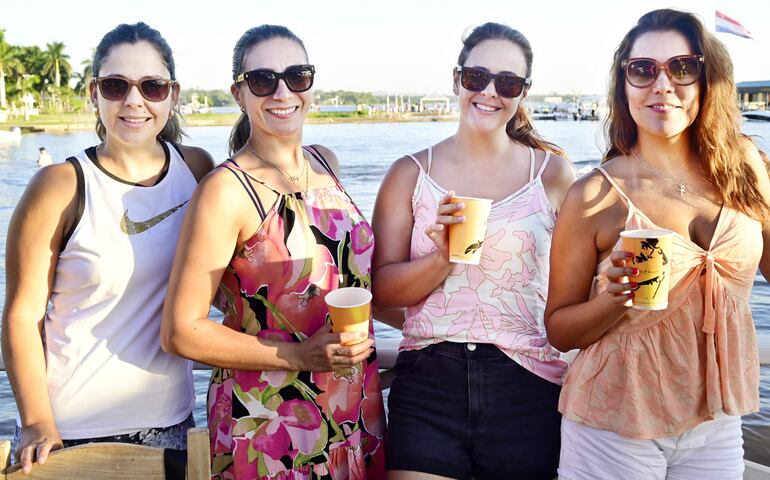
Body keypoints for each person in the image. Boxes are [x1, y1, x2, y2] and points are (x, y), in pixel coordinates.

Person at [544, 9, 770, 480]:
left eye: (682, 68)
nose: (662, 85)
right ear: (624, 84)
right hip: (616, 419)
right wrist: (613, 299)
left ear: (709, 80)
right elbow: (560, 330)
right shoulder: (594, 194)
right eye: (643, 69)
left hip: (717, 416)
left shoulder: (746, 166)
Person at [160, 24, 386, 479]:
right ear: (239, 94)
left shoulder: (325, 162)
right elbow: (181, 332)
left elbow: (355, 279)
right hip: (268, 420)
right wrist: (301, 357)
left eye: (296, 76)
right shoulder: (225, 192)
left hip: (351, 404)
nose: (282, 91)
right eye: (263, 80)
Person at [0, 22, 214, 474]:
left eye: (151, 86)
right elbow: (22, 315)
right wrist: (38, 422)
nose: (134, 101)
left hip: (172, 424)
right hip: (69, 431)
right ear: (94, 92)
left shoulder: (196, 170)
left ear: (172, 95)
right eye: (117, 86)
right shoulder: (59, 185)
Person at [372, 22, 576, 480]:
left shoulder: (554, 174)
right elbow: (382, 291)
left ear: (523, 92)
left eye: (507, 82)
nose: (489, 92)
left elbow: (573, 289)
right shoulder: (408, 173)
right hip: (428, 381)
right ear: (456, 79)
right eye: (475, 77)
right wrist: (442, 258)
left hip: (528, 381)